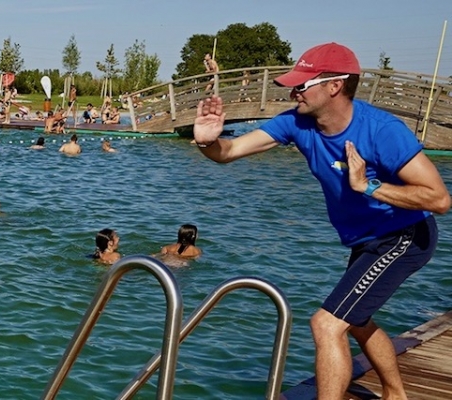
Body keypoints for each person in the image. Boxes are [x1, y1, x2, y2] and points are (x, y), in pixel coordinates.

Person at [192, 42, 450, 400]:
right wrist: (207, 142)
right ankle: (396, 394)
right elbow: (231, 151)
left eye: (303, 83)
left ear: (334, 86)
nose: (294, 90)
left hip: (405, 235)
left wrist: (369, 186)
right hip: (366, 239)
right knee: (355, 321)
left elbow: (438, 199)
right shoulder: (297, 123)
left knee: (326, 324)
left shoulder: (381, 131)